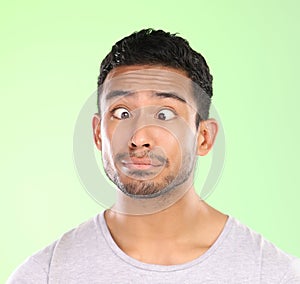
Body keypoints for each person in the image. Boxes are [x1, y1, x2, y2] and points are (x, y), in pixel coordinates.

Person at [7, 28, 300, 283]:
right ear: (98, 134)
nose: (139, 137)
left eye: (164, 114)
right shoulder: (44, 275)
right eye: (122, 113)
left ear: (204, 137)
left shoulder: (273, 274)